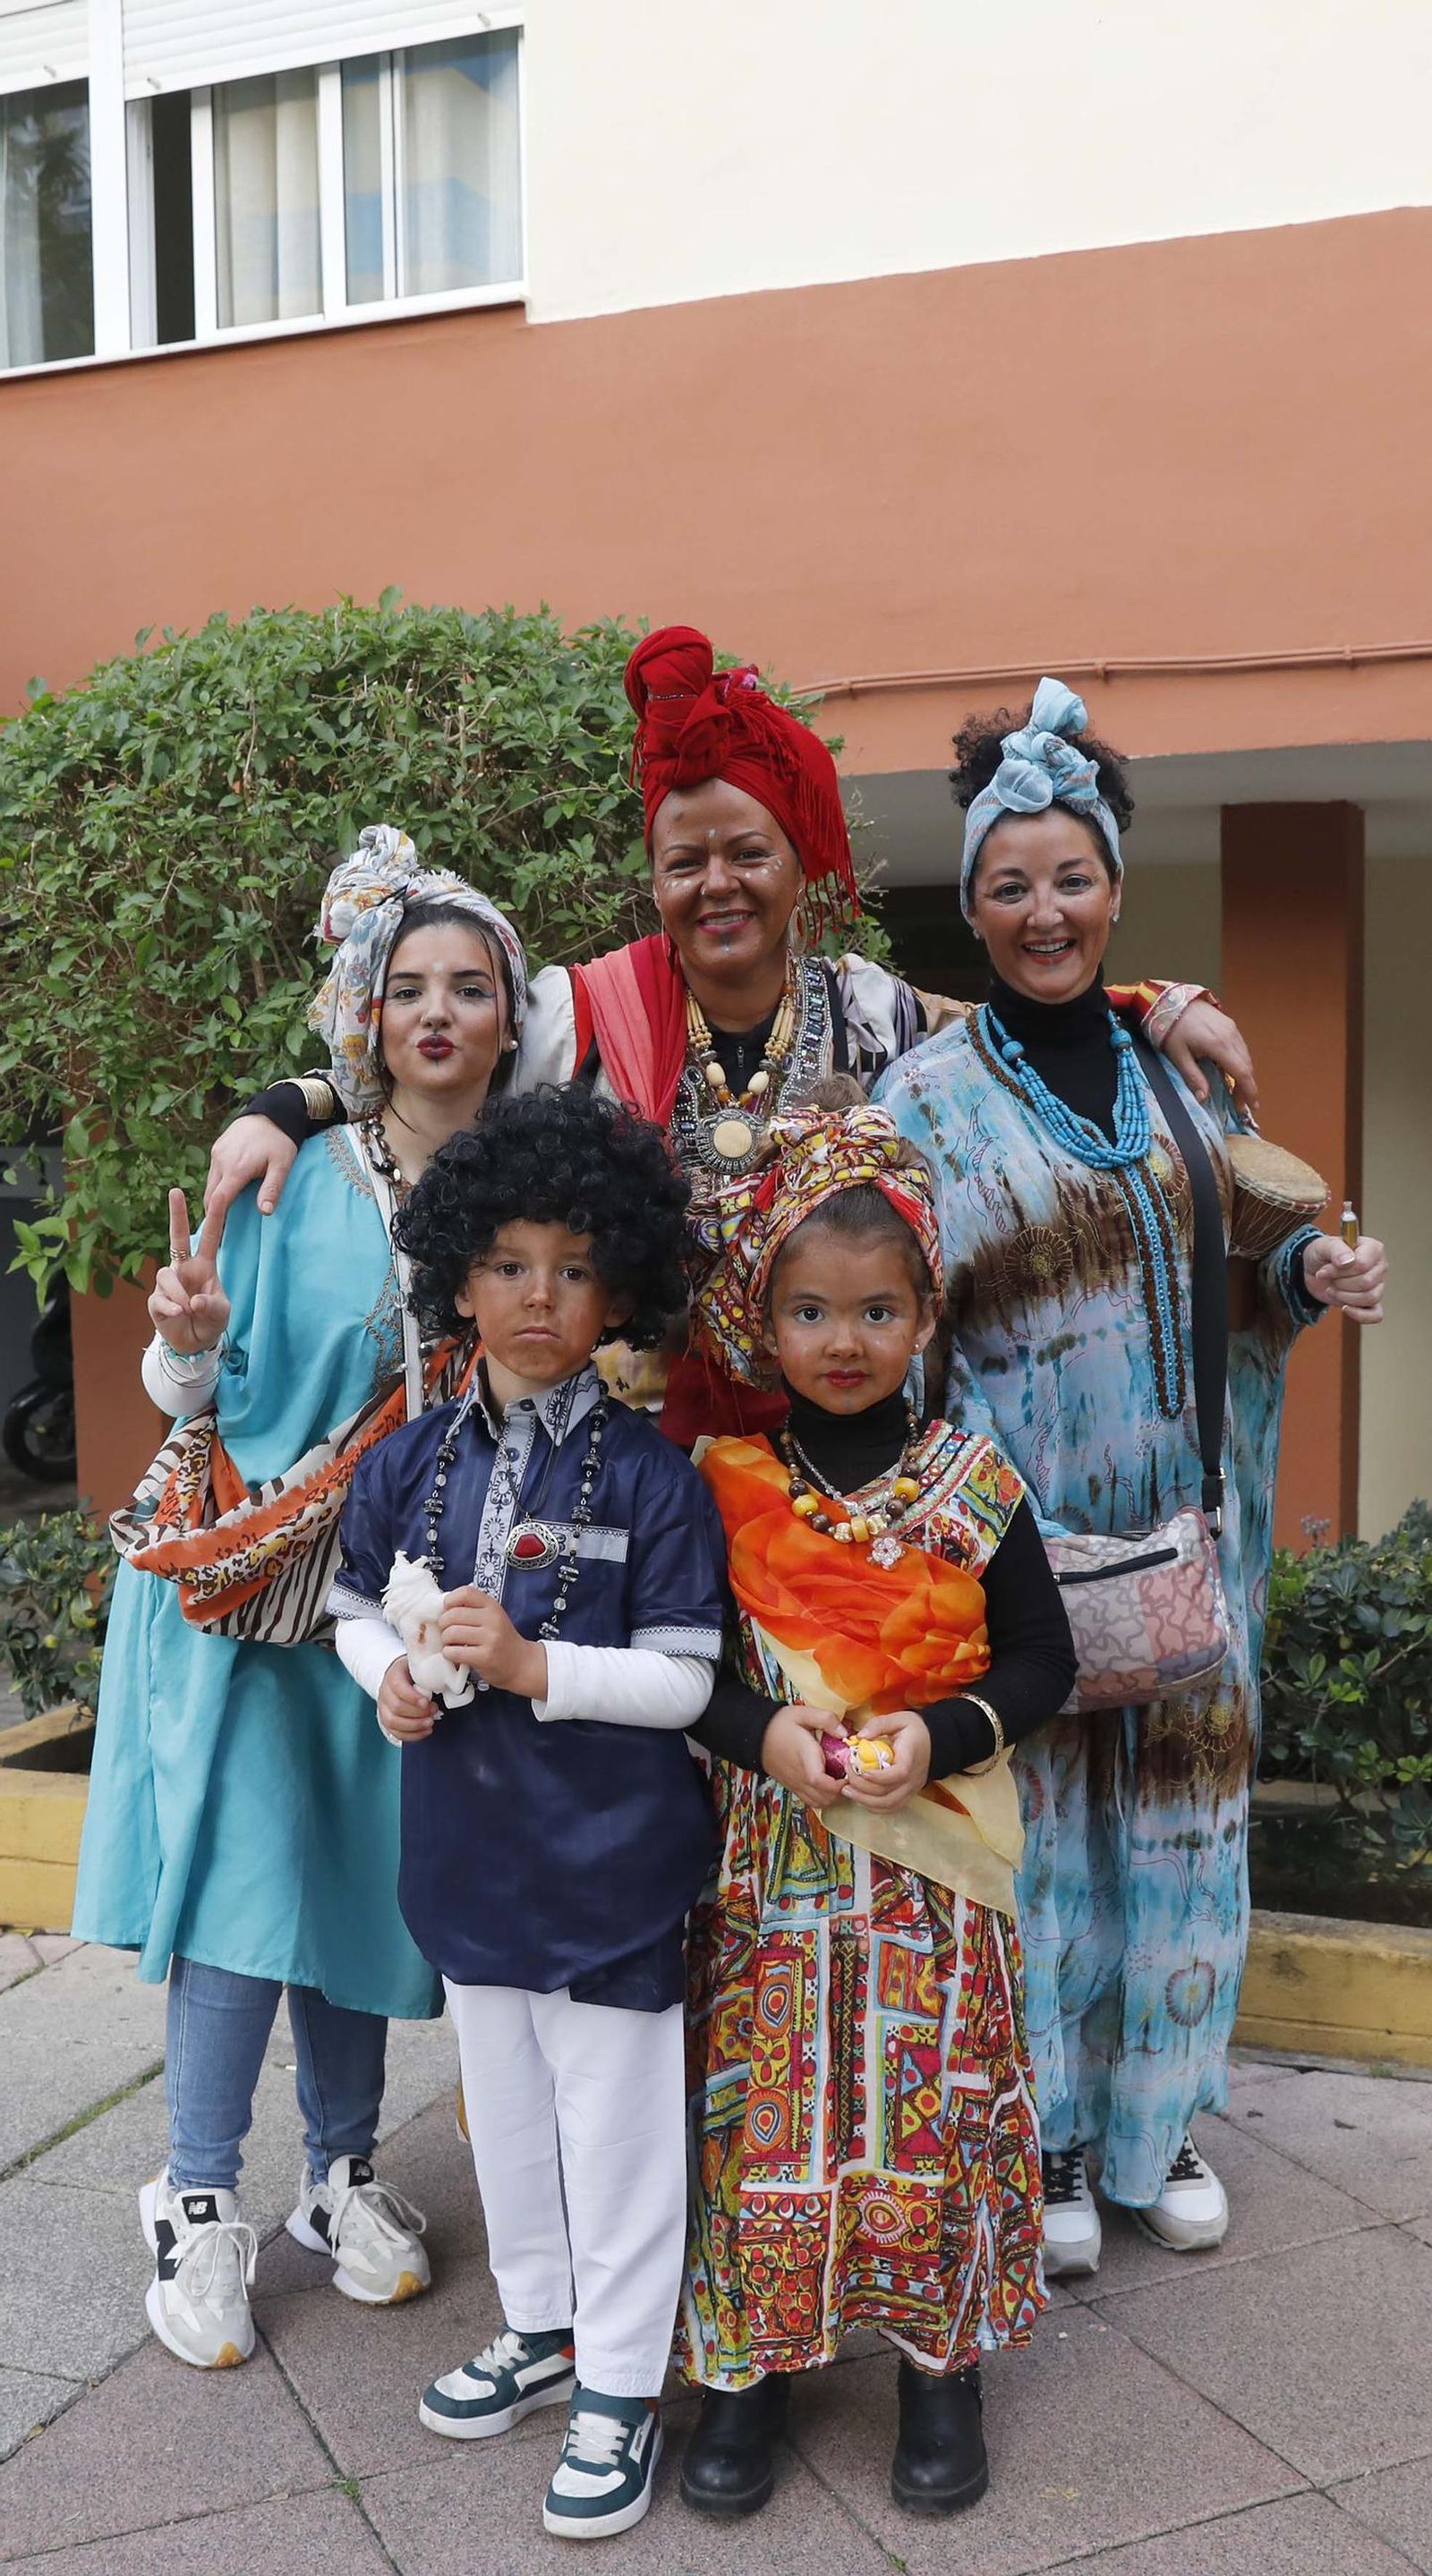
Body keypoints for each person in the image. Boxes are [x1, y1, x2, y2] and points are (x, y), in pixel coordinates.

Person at [202, 627, 1258, 1436]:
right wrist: (289, 1105)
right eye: (683, 862)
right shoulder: (574, 1018)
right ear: (654, 879)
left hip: (830, 1467)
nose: (717, 886)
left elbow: (1022, 1032)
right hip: (605, 1466)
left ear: (800, 859)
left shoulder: (876, 1013)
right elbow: (431, 1052)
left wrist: (1146, 1001)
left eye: (746, 853)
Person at [875, 682, 1388, 2274]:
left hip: (1185, 1538)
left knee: (1179, 1821)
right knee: (1050, 1844)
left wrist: (1312, 1265)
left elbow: (1242, 1238)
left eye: (1071, 876)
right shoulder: (923, 1100)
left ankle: (1159, 2121)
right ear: (971, 903)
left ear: (1113, 886)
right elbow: (900, 1336)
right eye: (1009, 883)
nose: (1045, 909)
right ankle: (1053, 2146)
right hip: (1023, 1547)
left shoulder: (1183, 1069)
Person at [72, 827, 531, 2370]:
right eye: (411, 986)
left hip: (397, 1609)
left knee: (352, 1878)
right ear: (367, 1009)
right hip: (260, 1589)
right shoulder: (282, 1171)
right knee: (242, 1894)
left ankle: (339, 2168)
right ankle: (198, 2193)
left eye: (473, 984)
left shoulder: (517, 1181)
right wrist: (187, 1336)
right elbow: (191, 1379)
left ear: (511, 1011)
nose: (442, 1012)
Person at [329, 1085, 728, 2544]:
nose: (538, 1295)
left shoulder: (653, 1476)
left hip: (613, 1872)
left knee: (616, 2125)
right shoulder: (407, 1458)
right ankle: (542, 2321)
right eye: (505, 1262)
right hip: (465, 1859)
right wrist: (390, 1681)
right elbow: (350, 1605)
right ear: (457, 1278)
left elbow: (687, 1681)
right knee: (503, 2111)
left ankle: (622, 2382)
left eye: (570, 1264)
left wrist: (534, 1663)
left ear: (617, 1280)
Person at [676, 1092, 1077, 2519]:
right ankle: (748, 2369)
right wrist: (764, 1731)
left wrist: (940, 1725)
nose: (843, 1341)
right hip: (773, 1872)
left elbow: (1045, 1656)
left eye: (876, 1309)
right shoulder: (722, 1489)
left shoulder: (974, 1486)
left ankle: (937, 2366)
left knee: (934, 2115)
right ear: (762, 1323)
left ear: (923, 1316)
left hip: (935, 1874)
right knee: (767, 2118)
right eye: (810, 1311)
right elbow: (689, 1675)